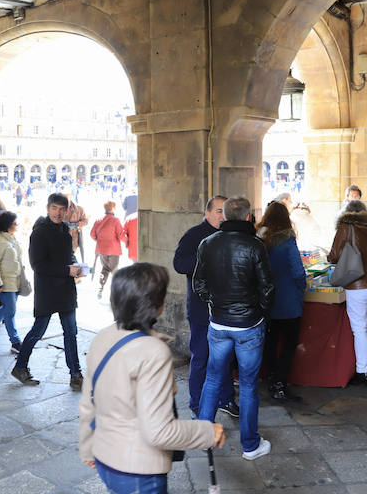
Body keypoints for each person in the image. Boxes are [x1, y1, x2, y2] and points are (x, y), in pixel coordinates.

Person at [78, 263, 225, 493]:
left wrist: (88, 448)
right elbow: (158, 432)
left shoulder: (103, 338)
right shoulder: (152, 352)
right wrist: (207, 432)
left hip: (105, 458)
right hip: (137, 471)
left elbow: (88, 404)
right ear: (155, 305)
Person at [193, 196, 274, 460]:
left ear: (225, 216)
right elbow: (267, 288)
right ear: (248, 217)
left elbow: (199, 284)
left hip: (218, 323)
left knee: (213, 378)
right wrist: (260, 311)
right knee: (249, 385)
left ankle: (205, 438)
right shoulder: (255, 245)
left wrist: (216, 305)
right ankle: (250, 445)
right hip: (249, 325)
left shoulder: (207, 243)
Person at [172, 196, 237, 419]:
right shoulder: (193, 235)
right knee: (201, 357)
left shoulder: (230, 235)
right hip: (202, 310)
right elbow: (179, 264)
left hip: (226, 310)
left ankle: (226, 399)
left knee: (226, 358)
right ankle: (197, 404)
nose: (222, 215)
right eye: (218, 211)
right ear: (207, 212)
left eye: (225, 211)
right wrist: (207, 261)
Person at [12, 193, 84, 390]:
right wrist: (66, 270)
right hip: (47, 290)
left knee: (71, 332)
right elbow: (37, 265)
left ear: (67, 210)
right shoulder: (39, 232)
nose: (58, 212)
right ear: (47, 208)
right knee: (38, 331)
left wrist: (76, 266)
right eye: (54, 208)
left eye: (62, 209)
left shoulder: (64, 229)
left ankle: (75, 373)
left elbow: (69, 254)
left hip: (66, 290)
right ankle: (20, 367)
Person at [327, 200, 367, 385]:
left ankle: (362, 371)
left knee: (359, 328)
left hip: (356, 284)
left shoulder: (346, 227)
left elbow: (334, 255)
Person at [256, 200, 306, 402]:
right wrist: (302, 286)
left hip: (267, 299)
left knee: (270, 341)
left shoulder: (259, 239)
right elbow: (297, 271)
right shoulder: (287, 240)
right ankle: (280, 383)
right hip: (288, 299)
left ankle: (270, 377)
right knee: (289, 343)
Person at [0, 211, 26, 352]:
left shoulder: (11, 238)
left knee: (7, 308)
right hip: (4, 283)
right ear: (7, 224)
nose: (17, 225)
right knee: (11, 311)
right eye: (14, 223)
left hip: (15, 281)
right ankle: (15, 341)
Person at [90, 201, 123, 299]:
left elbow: (92, 234)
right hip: (114, 250)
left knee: (105, 269)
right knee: (114, 271)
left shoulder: (98, 220)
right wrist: (128, 241)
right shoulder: (115, 220)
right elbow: (121, 235)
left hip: (102, 250)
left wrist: (100, 241)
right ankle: (116, 293)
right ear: (112, 208)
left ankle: (100, 287)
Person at [63, 195, 89, 263]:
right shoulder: (59, 209)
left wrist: (78, 224)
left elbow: (85, 221)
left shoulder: (79, 209)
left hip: (75, 239)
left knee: (71, 256)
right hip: (62, 239)